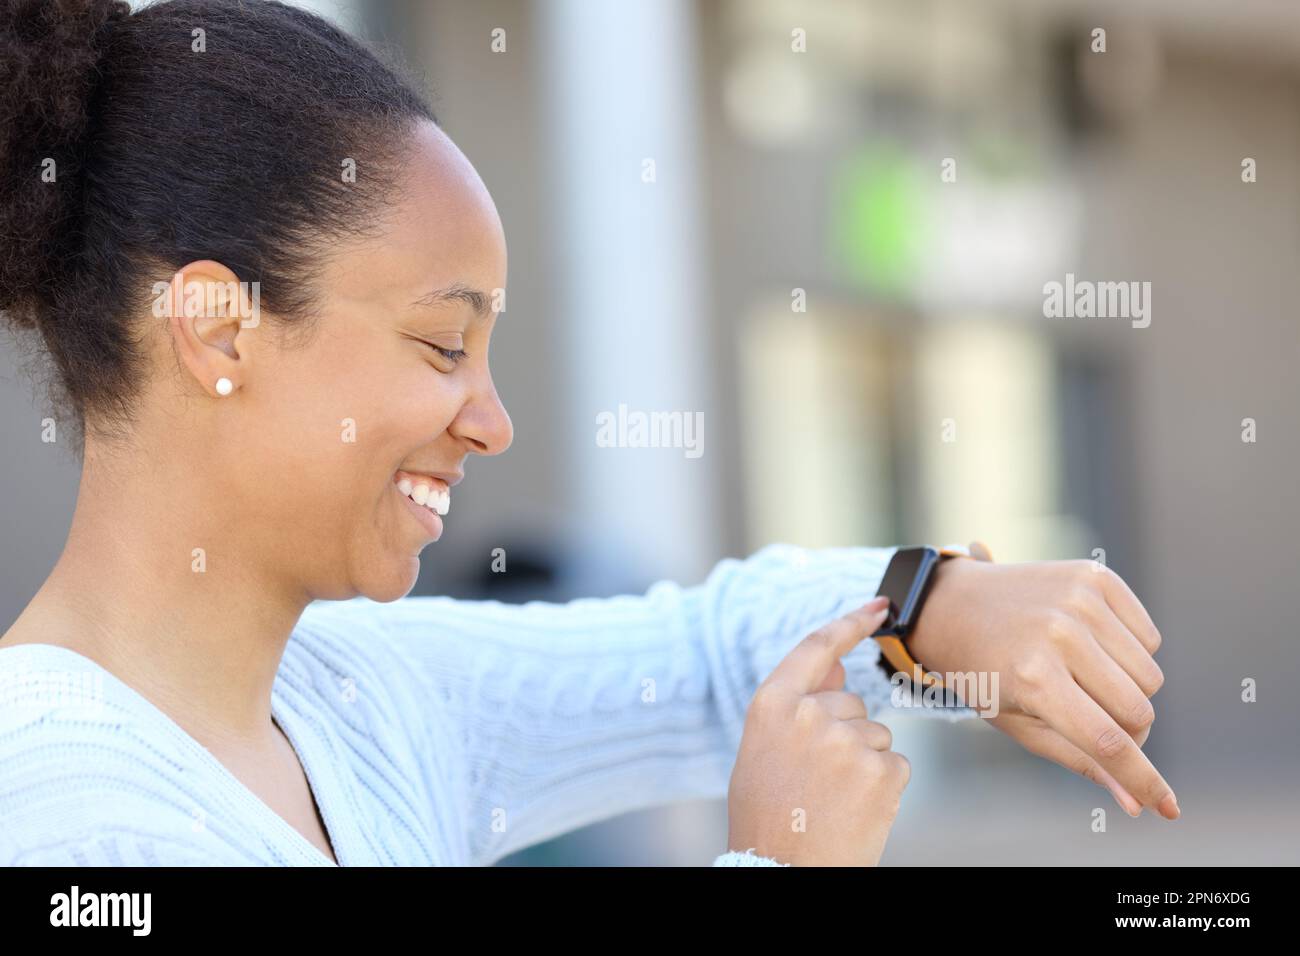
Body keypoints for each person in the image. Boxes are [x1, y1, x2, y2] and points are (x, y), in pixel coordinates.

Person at [0, 0, 1176, 868]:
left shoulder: (357, 694)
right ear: (217, 329)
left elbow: (703, 660)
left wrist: (931, 607)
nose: (493, 420)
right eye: (439, 345)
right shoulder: (56, 800)